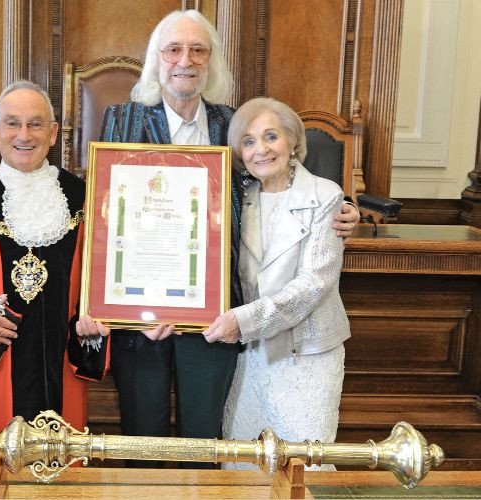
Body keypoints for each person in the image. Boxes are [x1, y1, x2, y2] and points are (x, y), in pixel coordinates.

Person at [98, 9, 358, 467]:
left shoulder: (233, 124)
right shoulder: (122, 120)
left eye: (198, 50)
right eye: (174, 49)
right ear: (156, 60)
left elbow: (283, 178)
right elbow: (103, 212)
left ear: (211, 60)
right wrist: (127, 306)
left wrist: (347, 208)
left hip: (216, 316)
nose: (186, 60)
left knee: (207, 442)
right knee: (142, 441)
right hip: (139, 318)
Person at [0, 80, 109, 432]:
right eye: (12, 123)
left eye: (35, 124)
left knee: (61, 473)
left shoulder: (88, 198)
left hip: (63, 366)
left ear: (52, 133)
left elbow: (106, 275)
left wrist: (97, 319)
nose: (24, 134)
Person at [203, 97, 350, 471]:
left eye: (271, 136)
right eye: (249, 141)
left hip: (307, 354)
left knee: (304, 465)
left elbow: (315, 285)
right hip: (253, 354)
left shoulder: (326, 195)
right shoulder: (238, 198)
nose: (261, 149)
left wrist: (244, 320)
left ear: (292, 140)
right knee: (246, 463)